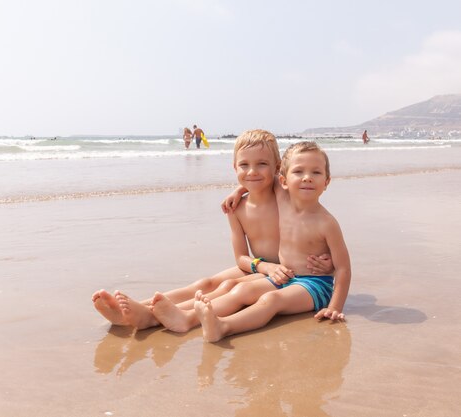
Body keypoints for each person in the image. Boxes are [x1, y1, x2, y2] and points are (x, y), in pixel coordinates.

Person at [92, 130, 333, 330]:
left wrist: (325, 263)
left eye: (262, 164)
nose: (252, 172)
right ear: (234, 167)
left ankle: (154, 318)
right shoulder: (237, 208)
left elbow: (312, 221)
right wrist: (263, 265)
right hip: (260, 266)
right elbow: (240, 258)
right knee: (207, 282)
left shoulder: (284, 196)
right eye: (244, 165)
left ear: (277, 169)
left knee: (228, 288)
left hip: (284, 272)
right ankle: (141, 309)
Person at [194, 141, 351, 342]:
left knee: (271, 300)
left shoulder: (327, 223)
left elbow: (343, 268)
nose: (307, 178)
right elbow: (259, 178)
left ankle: (224, 327)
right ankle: (196, 317)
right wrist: (238, 191)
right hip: (286, 277)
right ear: (284, 181)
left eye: (316, 173)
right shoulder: (283, 202)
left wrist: (334, 308)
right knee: (243, 290)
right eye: (299, 171)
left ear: (327, 182)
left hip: (315, 285)